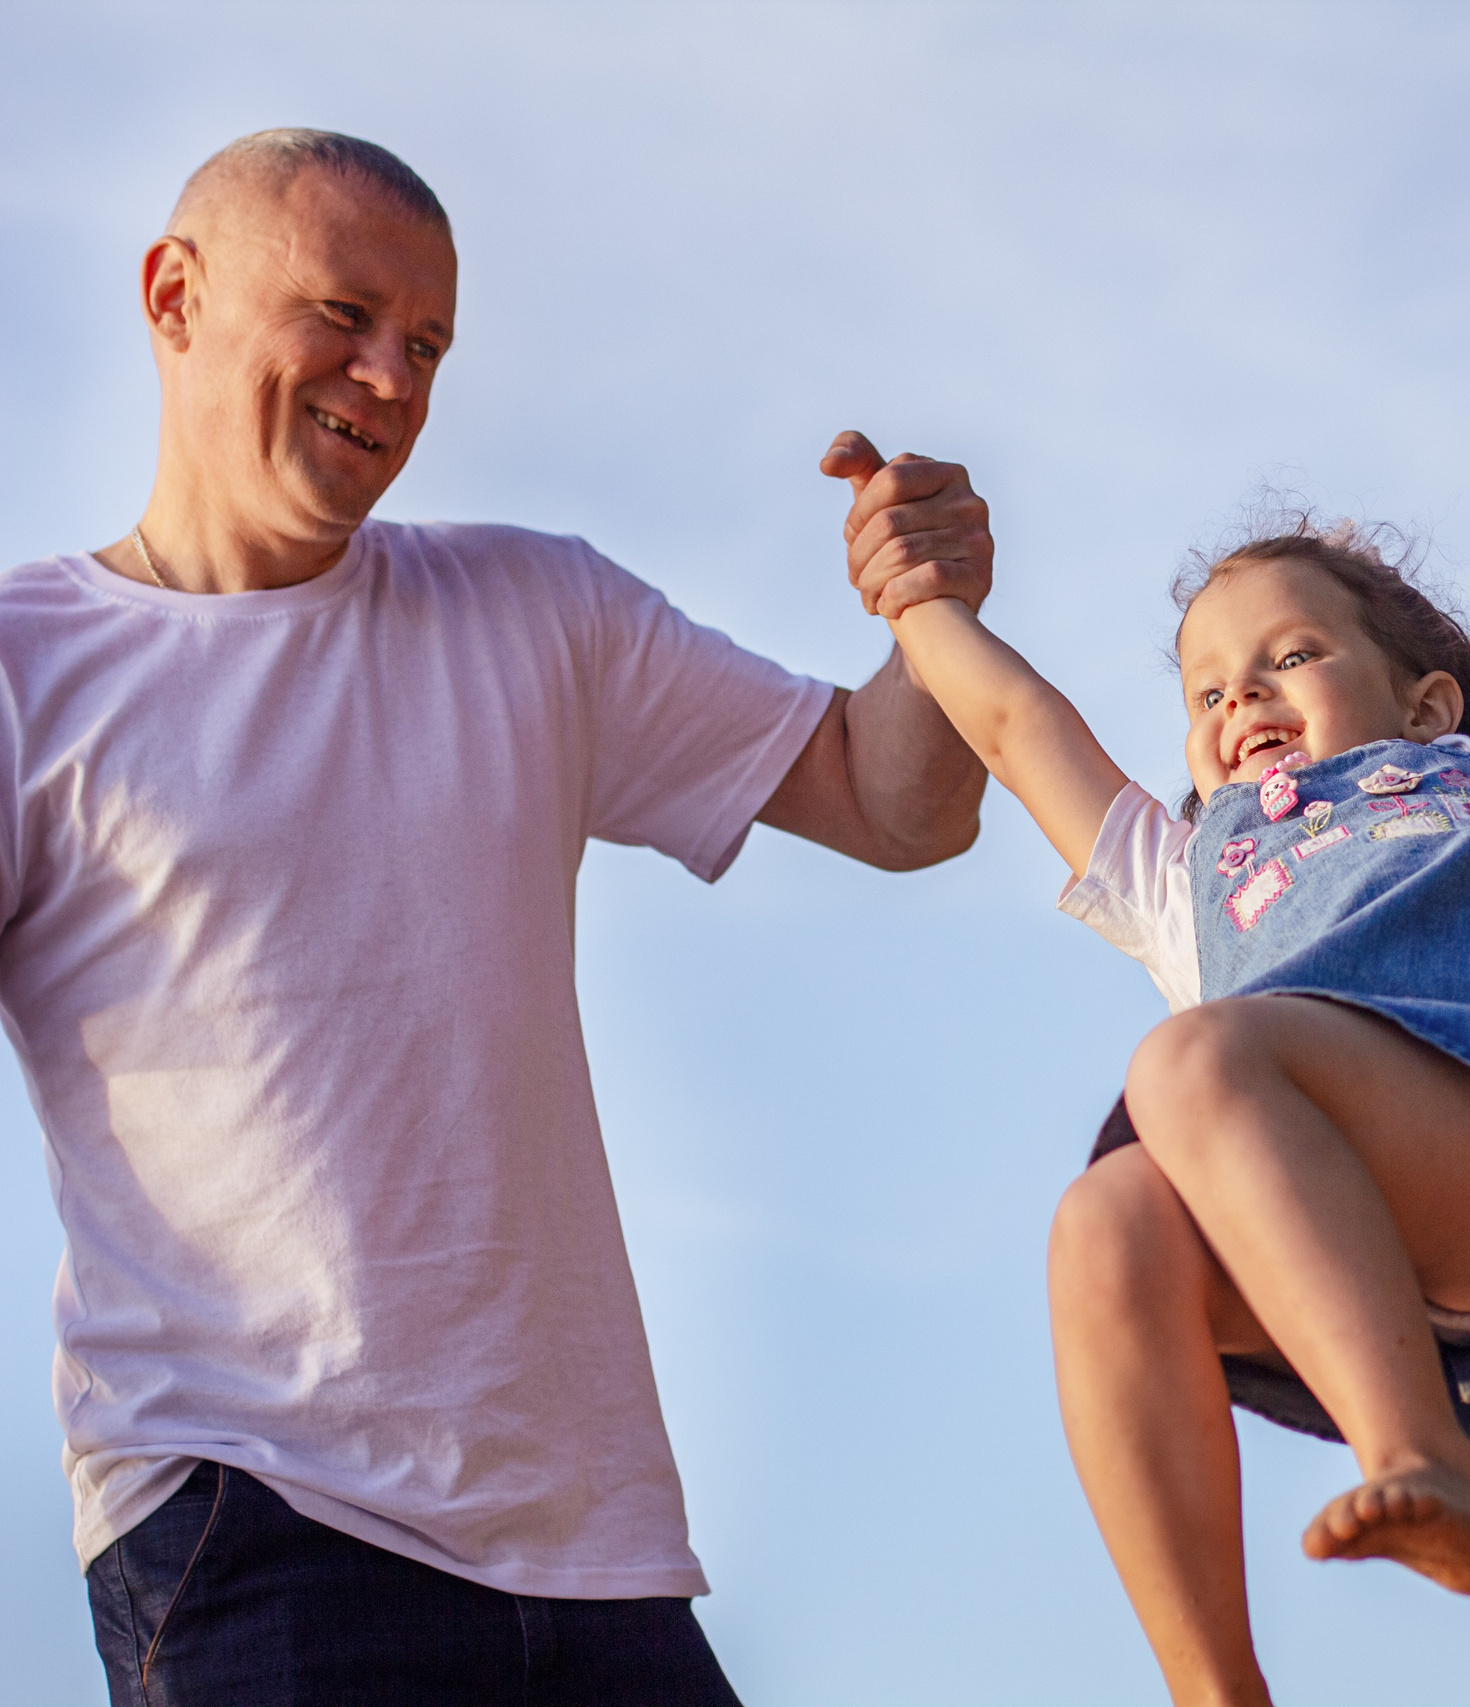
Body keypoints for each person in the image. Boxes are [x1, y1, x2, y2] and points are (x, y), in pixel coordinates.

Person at [5, 129, 995, 1704]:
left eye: (430, 344)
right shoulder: (28, 669)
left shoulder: (538, 610)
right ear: (174, 297)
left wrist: (930, 616)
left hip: (599, 1552)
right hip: (254, 1524)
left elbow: (902, 807)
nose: (389, 377)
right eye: (342, 313)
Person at [837, 476, 1470, 1705]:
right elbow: (1010, 724)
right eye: (1208, 691)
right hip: (1316, 1236)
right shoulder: (1185, 871)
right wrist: (917, 604)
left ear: (1426, 701)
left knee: (1193, 1061)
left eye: (1291, 655)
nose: (1242, 698)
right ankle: (1214, 1686)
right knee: (1102, 1220)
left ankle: (1424, 1454)